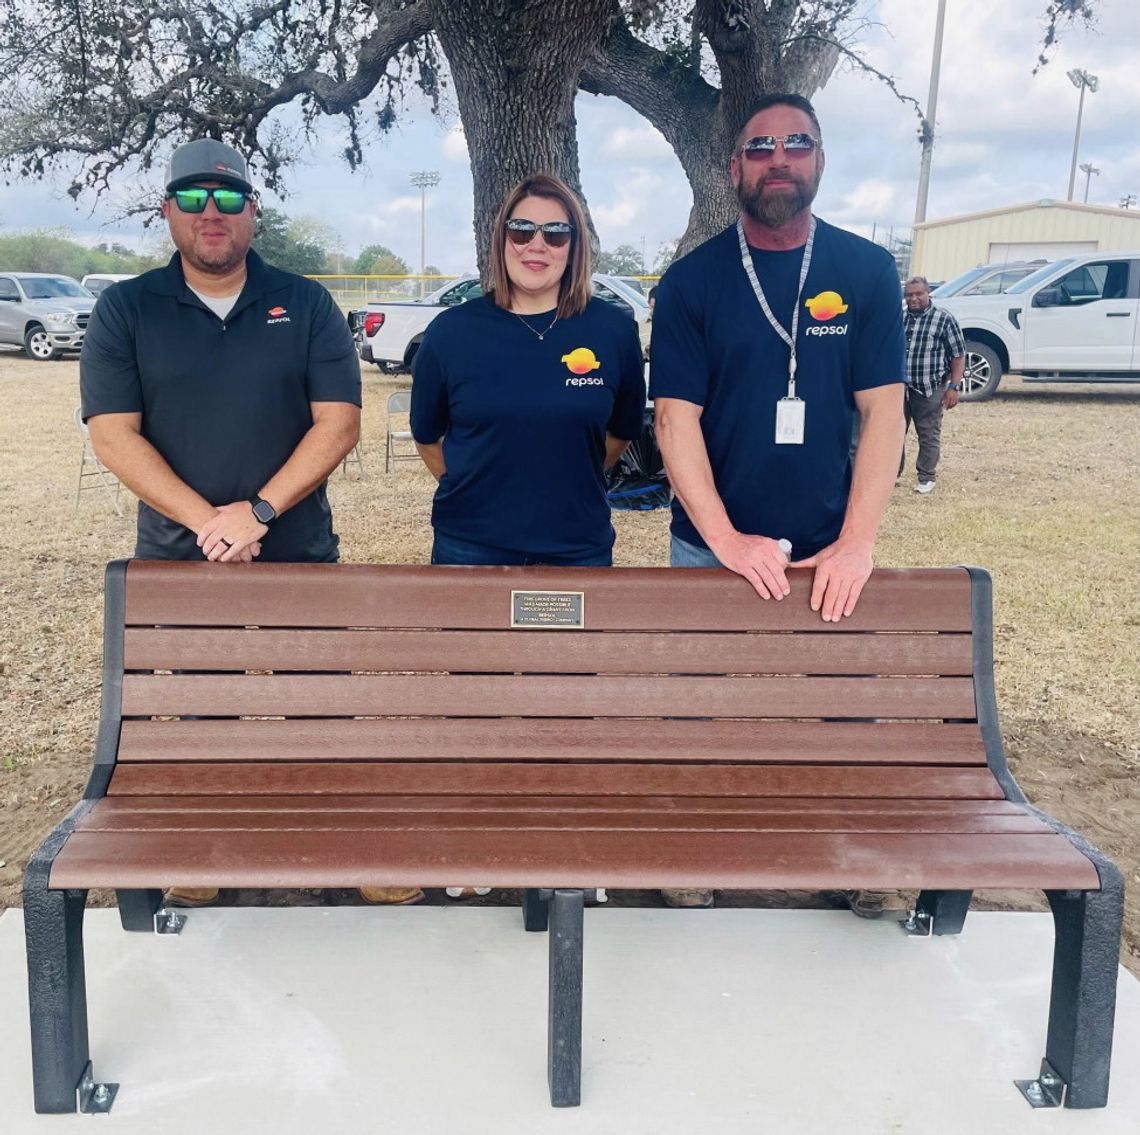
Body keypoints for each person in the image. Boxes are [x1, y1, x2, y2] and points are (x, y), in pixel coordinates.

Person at [78, 139, 379, 904]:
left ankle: (336, 844)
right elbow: (113, 432)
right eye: (191, 198)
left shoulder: (304, 302)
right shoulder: (127, 307)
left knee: (318, 701)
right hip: (181, 552)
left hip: (298, 544)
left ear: (254, 212)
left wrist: (261, 511)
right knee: (203, 712)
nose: (210, 214)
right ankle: (206, 852)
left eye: (227, 198)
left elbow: (338, 423)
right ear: (166, 211)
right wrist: (212, 523)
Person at [649, 93, 906, 909]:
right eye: (760, 147)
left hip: (829, 543)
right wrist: (723, 537)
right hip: (709, 545)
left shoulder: (866, 271)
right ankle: (692, 858)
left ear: (820, 160)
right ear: (735, 169)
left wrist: (858, 540)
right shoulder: (692, 281)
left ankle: (857, 861)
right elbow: (674, 418)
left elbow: (885, 412)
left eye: (797, 143)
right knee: (698, 711)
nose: (778, 159)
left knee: (842, 711)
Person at [411, 172, 645, 567]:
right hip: (469, 547)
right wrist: (475, 489)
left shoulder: (614, 331)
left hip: (577, 546)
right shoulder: (451, 333)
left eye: (555, 233)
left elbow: (620, 433)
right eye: (521, 231)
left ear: (574, 246)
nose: (536, 245)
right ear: (502, 239)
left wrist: (564, 481)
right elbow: (427, 437)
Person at [900, 275, 966, 493]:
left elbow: (958, 355)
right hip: (899, 387)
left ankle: (926, 476)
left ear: (928, 293)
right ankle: (892, 473)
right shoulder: (899, 318)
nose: (914, 299)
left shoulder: (944, 319)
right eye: (909, 295)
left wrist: (953, 387)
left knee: (928, 433)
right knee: (894, 432)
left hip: (930, 386)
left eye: (918, 294)